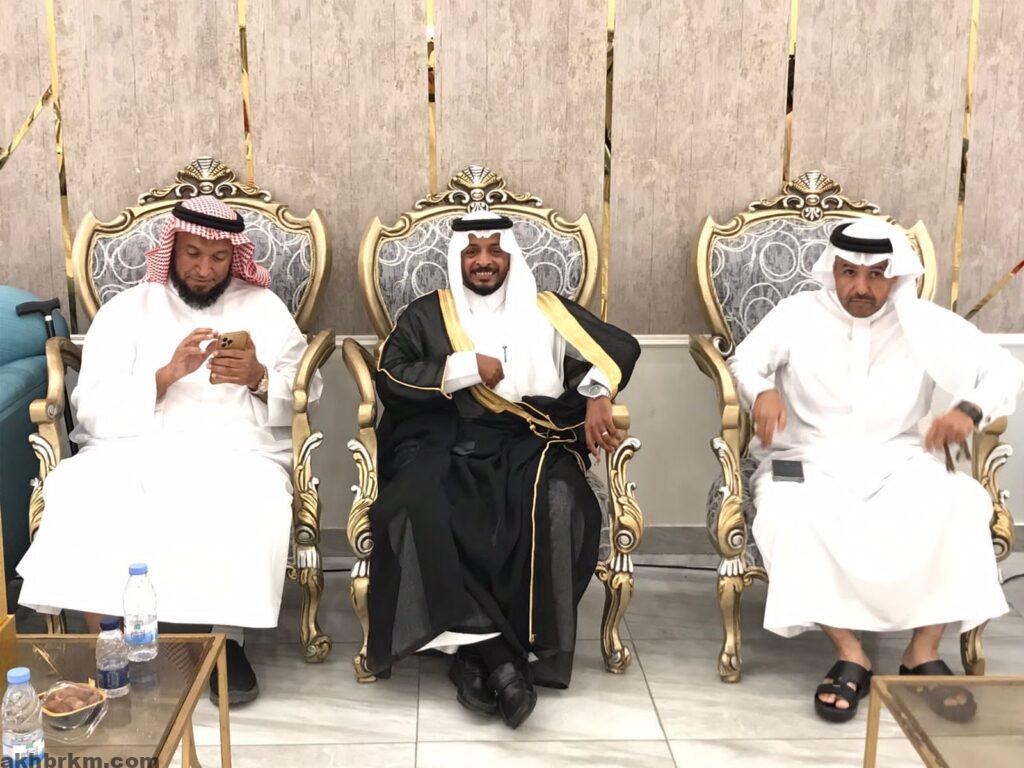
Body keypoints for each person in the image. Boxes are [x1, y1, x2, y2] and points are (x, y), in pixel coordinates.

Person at [17, 196, 322, 706]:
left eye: (218, 257)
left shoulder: (264, 308)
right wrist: (163, 377)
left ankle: (222, 639)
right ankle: (120, 640)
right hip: (137, 445)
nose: (205, 269)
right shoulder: (127, 310)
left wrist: (259, 378)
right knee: (82, 488)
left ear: (234, 256)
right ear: (172, 248)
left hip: (237, 448)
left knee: (248, 497)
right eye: (193, 254)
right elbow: (89, 405)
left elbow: (306, 391)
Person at [729, 217, 1024, 723]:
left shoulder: (923, 322)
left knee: (962, 504)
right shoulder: (797, 314)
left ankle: (922, 653)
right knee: (788, 513)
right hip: (806, 457)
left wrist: (968, 410)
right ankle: (851, 654)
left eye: (876, 275)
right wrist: (763, 391)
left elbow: (1004, 368)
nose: (861, 287)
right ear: (832, 270)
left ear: (896, 275)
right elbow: (745, 361)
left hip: (900, 457)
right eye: (849, 273)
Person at [367, 211, 640, 728]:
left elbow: (614, 349)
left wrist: (598, 393)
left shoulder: (546, 309)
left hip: (527, 439)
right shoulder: (428, 314)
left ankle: (487, 656)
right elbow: (391, 376)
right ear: (458, 259)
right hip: (445, 437)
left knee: (560, 499)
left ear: (510, 255)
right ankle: (497, 657)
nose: (484, 261)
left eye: (494, 250)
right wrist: (465, 367)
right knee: (418, 503)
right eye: (473, 252)